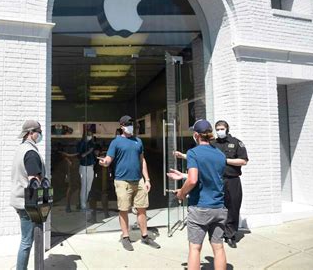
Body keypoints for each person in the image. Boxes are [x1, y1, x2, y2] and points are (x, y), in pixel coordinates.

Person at [99, 115, 160, 251]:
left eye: (133, 125)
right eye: (129, 124)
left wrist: (147, 179)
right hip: (122, 181)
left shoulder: (138, 141)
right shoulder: (116, 142)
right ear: (122, 126)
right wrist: (104, 162)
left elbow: (142, 160)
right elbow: (109, 158)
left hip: (138, 181)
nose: (132, 127)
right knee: (124, 210)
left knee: (142, 208)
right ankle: (126, 237)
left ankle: (145, 236)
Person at [173, 119, 228, 270]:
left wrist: (181, 194)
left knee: (195, 248)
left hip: (200, 208)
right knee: (218, 248)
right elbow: (211, 176)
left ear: (196, 135)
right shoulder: (220, 155)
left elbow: (193, 179)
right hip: (219, 207)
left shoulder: (193, 153)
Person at [10, 120, 46, 270]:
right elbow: (34, 181)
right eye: (39, 132)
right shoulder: (31, 153)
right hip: (28, 204)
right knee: (26, 241)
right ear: (31, 133)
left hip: (19, 200)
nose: (41, 135)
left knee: (26, 240)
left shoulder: (21, 149)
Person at [211, 120, 248, 248]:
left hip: (232, 180)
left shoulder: (236, 143)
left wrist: (225, 160)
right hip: (216, 180)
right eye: (217, 129)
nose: (220, 131)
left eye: (222, 128)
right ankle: (217, 233)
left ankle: (230, 235)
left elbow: (243, 161)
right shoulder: (212, 144)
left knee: (233, 207)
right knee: (217, 207)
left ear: (227, 129)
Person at [77, 130, 96, 210]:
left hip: (90, 166)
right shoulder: (81, 143)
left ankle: (84, 203)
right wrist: (88, 151)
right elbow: (80, 154)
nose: (89, 136)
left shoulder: (92, 143)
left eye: (91, 135)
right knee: (84, 186)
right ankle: (83, 205)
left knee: (88, 187)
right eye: (88, 135)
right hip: (84, 166)